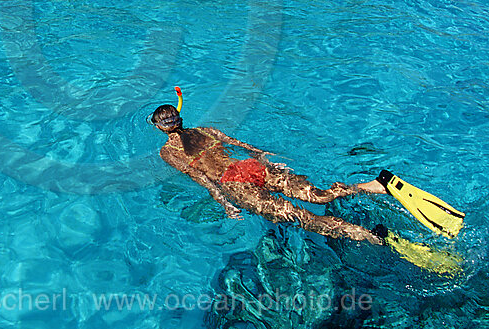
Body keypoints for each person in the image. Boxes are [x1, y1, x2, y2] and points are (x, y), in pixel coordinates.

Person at [150, 103, 387, 244]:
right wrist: (264, 156)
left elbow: (200, 177)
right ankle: (368, 186)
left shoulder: (167, 151)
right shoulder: (206, 130)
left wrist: (223, 202)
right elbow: (241, 144)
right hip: (248, 166)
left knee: (300, 217)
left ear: (159, 127)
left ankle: (367, 235)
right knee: (318, 194)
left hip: (231, 183)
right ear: (180, 118)